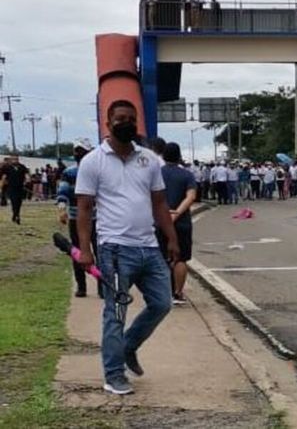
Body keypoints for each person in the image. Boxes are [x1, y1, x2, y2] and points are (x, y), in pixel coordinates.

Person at [75, 99, 180, 396]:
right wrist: (85, 249)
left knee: (162, 303)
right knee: (115, 313)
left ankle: (129, 346)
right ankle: (113, 374)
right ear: (108, 124)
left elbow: (160, 203)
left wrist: (171, 238)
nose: (126, 123)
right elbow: (84, 209)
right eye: (119, 118)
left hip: (149, 246)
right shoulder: (93, 161)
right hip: (115, 250)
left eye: (131, 119)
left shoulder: (149, 159)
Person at [56, 139, 97, 298]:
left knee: (100, 252)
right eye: (76, 150)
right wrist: (61, 209)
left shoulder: (96, 171)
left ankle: (102, 286)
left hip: (96, 217)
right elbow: (63, 192)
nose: (77, 153)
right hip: (75, 217)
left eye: (81, 150)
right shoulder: (69, 172)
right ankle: (81, 286)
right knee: (77, 252)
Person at [160, 143, 197, 305]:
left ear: (163, 156)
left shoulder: (156, 174)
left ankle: (162, 293)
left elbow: (151, 196)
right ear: (179, 156)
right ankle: (178, 292)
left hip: (159, 221)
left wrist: (166, 213)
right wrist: (176, 213)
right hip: (182, 223)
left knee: (160, 258)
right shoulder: (187, 175)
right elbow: (191, 197)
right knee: (181, 259)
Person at [1, 155, 29, 223]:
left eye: (16, 159)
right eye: (13, 159)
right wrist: (2, 186)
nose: (15, 160)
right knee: (14, 201)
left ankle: (16, 214)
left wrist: (27, 180)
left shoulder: (22, 167)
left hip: (20, 187)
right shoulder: (7, 167)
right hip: (11, 187)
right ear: (11, 160)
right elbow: (4, 177)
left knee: (19, 202)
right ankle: (16, 215)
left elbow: (26, 175)